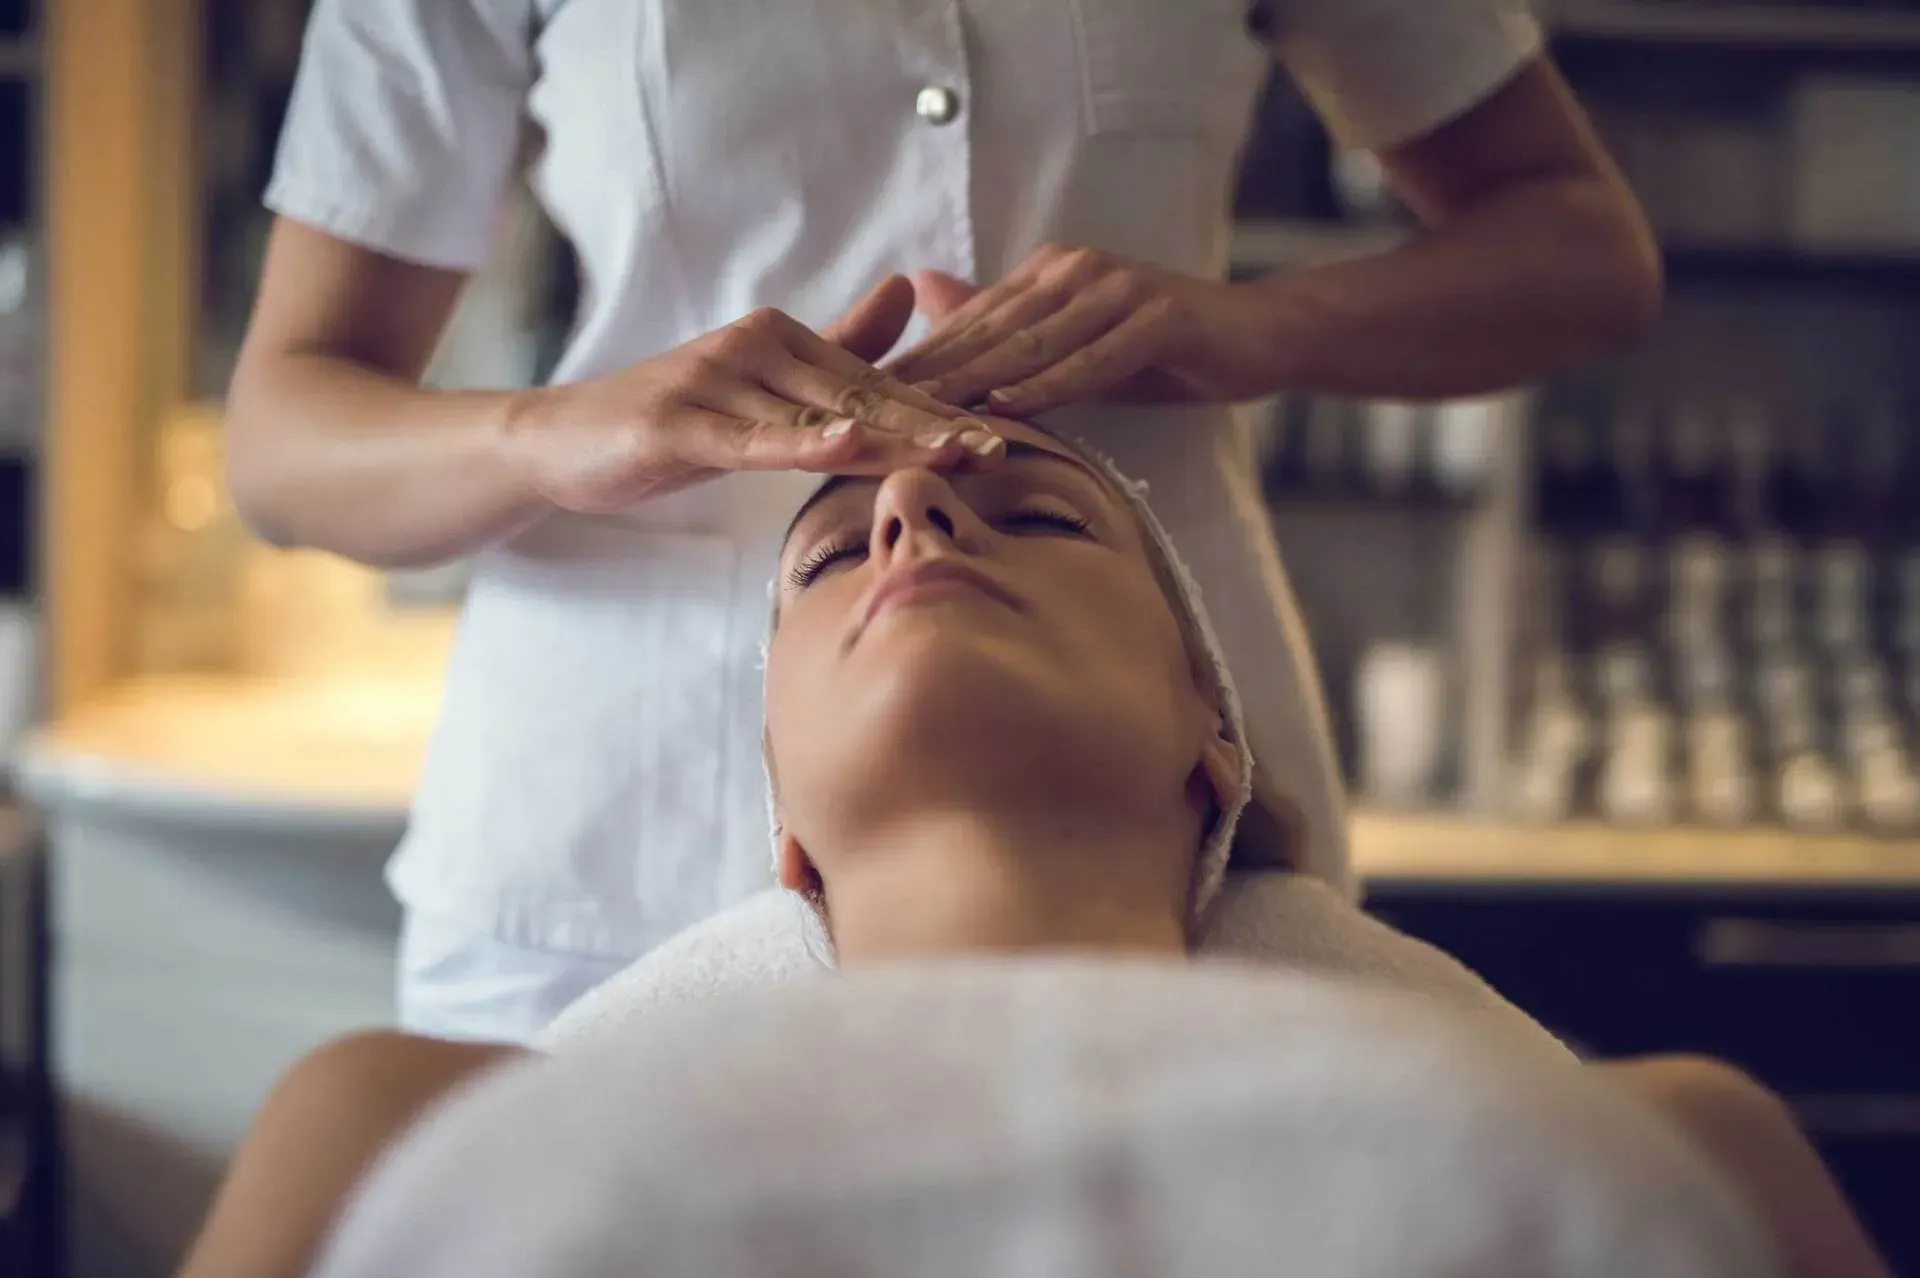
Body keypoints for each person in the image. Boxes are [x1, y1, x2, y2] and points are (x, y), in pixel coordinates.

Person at [231, 0, 1663, 1040]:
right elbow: (282, 441)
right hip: (610, 837)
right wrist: (559, 432)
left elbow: (1581, 248)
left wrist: (1254, 329)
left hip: (1137, 827)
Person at [178, 426, 1888, 1278]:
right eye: (830, 558)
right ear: (786, 826)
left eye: (1043, 514)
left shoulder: (1699, 1149)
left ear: (1215, 738)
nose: (913, 513)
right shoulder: (373, 1129)